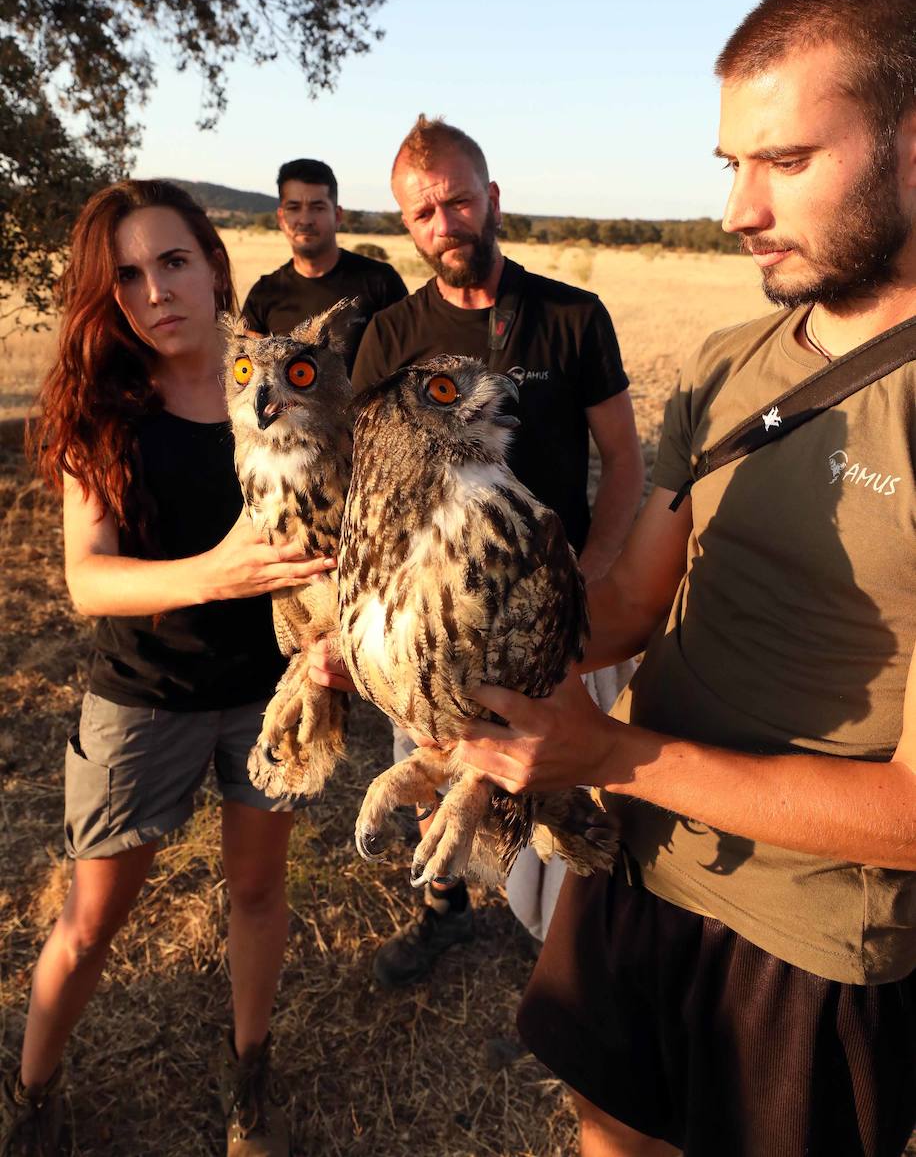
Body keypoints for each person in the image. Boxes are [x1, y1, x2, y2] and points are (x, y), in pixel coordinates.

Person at [451, 0, 916, 1157]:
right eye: (731, 164)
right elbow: (622, 612)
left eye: (787, 160)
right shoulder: (724, 365)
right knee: (604, 1123)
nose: (737, 211)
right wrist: (439, 650)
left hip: (805, 938)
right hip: (633, 856)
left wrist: (612, 748)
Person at [2, 180, 334, 1157]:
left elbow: (328, 531)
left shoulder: (278, 384)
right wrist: (216, 574)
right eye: (128, 278)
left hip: (267, 694)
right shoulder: (102, 410)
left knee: (259, 893)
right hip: (143, 698)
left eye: (173, 262)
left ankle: (252, 1082)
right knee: (90, 923)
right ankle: (35, 1091)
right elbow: (87, 582)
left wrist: (329, 634)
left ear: (215, 266)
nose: (154, 293)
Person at [351, 115, 644, 985]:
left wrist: (589, 579)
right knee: (430, 779)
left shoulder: (571, 316)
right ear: (407, 225)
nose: (444, 223)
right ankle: (442, 910)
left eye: (457, 201)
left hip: (555, 621)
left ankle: (563, 974)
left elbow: (623, 457)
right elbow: (366, 489)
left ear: (492, 200)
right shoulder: (393, 339)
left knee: (558, 805)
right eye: (421, 213)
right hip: (435, 626)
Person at [241, 157, 407, 373]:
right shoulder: (264, 294)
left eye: (317, 208)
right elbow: (247, 376)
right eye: (294, 208)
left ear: (337, 216)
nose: (305, 219)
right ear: (281, 218)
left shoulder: (381, 282)